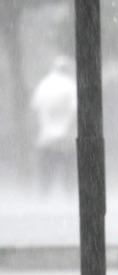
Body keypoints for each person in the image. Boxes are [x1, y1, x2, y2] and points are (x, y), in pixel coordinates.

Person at [30, 55, 77, 196]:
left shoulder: (44, 84)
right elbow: (75, 109)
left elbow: (34, 108)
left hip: (46, 137)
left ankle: (44, 198)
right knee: (68, 174)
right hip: (66, 137)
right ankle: (69, 197)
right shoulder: (70, 85)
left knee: (46, 174)